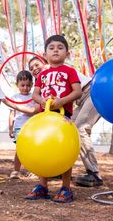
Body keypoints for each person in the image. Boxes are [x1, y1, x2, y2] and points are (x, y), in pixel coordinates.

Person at [28, 56, 104, 187]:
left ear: (45, 62)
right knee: (69, 130)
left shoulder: (59, 69)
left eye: (36, 65)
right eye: (31, 68)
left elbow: (73, 92)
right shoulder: (45, 79)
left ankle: (94, 173)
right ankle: (60, 168)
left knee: (80, 128)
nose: (34, 69)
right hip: (80, 101)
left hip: (91, 92)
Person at [25, 35, 82, 203]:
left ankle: (66, 188)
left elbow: (77, 91)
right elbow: (35, 94)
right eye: (51, 48)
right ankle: (42, 186)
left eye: (60, 47)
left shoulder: (70, 71)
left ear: (67, 53)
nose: (55, 50)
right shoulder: (42, 74)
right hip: (44, 117)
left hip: (63, 117)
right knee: (43, 148)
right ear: (45, 54)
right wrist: (42, 101)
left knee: (64, 151)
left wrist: (62, 102)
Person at [3, 70, 39, 179]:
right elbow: (11, 114)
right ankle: (16, 171)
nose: (25, 88)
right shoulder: (15, 98)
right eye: (22, 85)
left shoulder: (34, 97)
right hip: (19, 127)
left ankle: (33, 170)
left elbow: (36, 111)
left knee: (32, 149)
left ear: (32, 85)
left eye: (28, 85)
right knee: (19, 150)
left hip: (31, 128)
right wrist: (10, 129)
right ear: (17, 85)